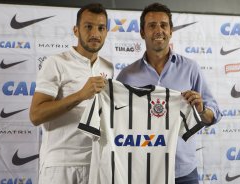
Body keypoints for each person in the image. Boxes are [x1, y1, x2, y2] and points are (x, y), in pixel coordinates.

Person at [116, 3, 222, 184]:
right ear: (142, 32)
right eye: (152, 25)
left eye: (164, 25)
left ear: (171, 31)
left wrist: (201, 110)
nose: (159, 30)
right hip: (142, 170)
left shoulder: (190, 68)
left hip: (183, 172)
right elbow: (117, 120)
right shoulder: (126, 75)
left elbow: (215, 114)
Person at [29, 3, 113, 184]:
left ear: (106, 32)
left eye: (101, 28)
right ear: (76, 30)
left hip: (96, 162)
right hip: (61, 164)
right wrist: (80, 95)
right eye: (88, 27)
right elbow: (35, 115)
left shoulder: (108, 67)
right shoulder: (56, 62)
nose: (95, 34)